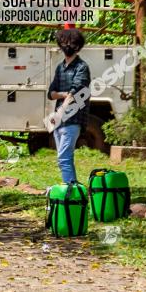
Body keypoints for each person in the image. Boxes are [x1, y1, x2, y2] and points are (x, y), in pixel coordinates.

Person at [47, 28, 91, 183]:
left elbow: (75, 93)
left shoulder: (82, 67)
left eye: (70, 43)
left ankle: (70, 191)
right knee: (64, 158)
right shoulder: (60, 67)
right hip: (60, 121)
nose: (66, 45)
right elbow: (51, 93)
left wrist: (60, 111)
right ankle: (73, 189)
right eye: (64, 42)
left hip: (73, 119)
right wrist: (64, 94)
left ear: (78, 47)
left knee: (63, 158)